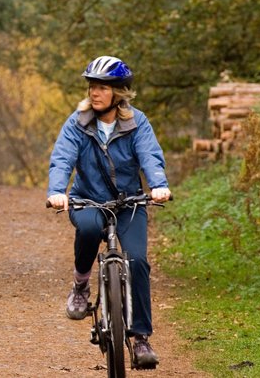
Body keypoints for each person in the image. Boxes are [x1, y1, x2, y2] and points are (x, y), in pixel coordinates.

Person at [46, 56, 171, 368]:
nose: (94, 93)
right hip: (88, 199)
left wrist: (158, 185)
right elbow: (63, 157)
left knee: (138, 261)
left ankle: (140, 338)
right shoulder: (78, 121)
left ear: (119, 93)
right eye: (91, 87)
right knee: (88, 229)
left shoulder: (136, 122)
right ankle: (80, 286)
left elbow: (150, 155)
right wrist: (56, 191)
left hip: (129, 204)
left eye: (101, 87)